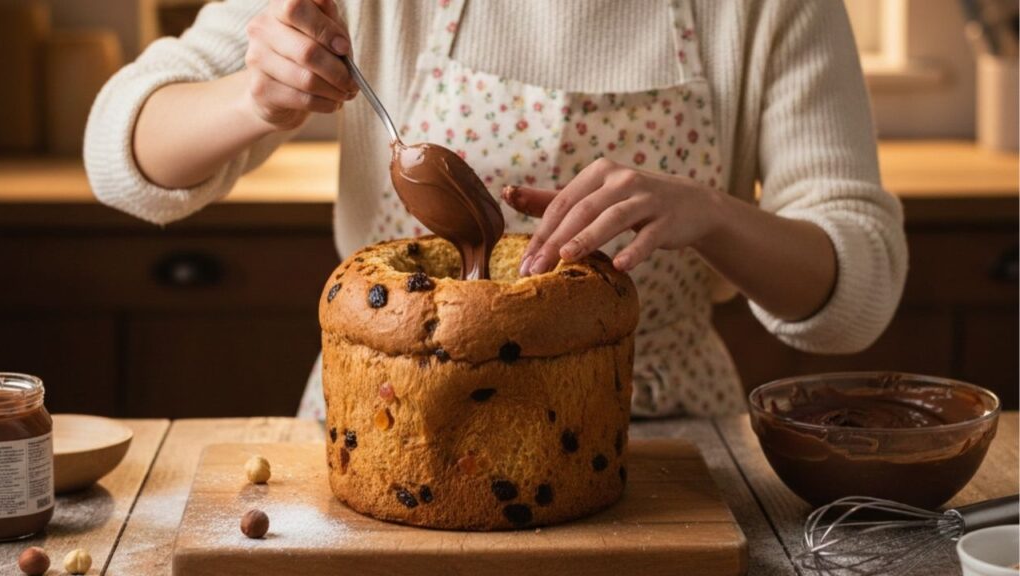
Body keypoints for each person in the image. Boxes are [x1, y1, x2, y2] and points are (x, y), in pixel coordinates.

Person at [85, 0, 907, 419]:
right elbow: (120, 151)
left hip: (662, 438)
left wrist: (714, 215)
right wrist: (253, 96)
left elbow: (857, 294)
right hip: (390, 418)